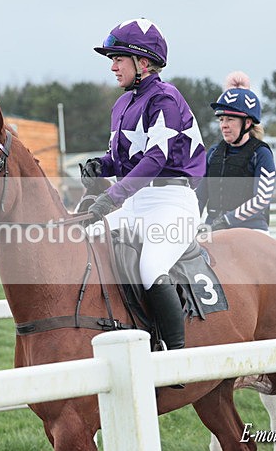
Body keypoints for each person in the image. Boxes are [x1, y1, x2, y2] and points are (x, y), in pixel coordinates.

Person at [82, 18, 206, 354]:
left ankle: (175, 354)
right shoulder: (122, 104)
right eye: (112, 59)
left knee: (151, 268)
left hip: (171, 202)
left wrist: (112, 196)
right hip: (135, 203)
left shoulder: (166, 98)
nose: (112, 67)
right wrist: (100, 166)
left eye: (118, 58)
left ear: (144, 63)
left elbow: (154, 158)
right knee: (89, 249)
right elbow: (120, 160)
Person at [196, 71, 275, 233]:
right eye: (221, 120)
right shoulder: (212, 153)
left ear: (247, 123)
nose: (224, 125)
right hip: (212, 229)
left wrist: (227, 220)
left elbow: (261, 199)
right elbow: (199, 196)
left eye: (230, 119)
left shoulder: (261, 153)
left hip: (251, 230)